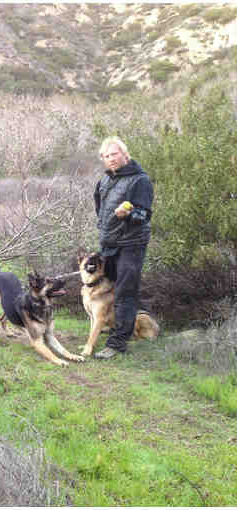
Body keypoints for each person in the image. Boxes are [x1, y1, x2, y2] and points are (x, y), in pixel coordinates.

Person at [93, 136, 154, 359]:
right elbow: (100, 210)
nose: (111, 159)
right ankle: (138, 324)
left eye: (114, 154)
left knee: (125, 293)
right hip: (109, 244)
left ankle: (117, 344)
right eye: (106, 156)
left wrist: (127, 214)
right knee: (112, 288)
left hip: (131, 244)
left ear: (125, 155)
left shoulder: (140, 180)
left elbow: (144, 215)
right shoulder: (105, 180)